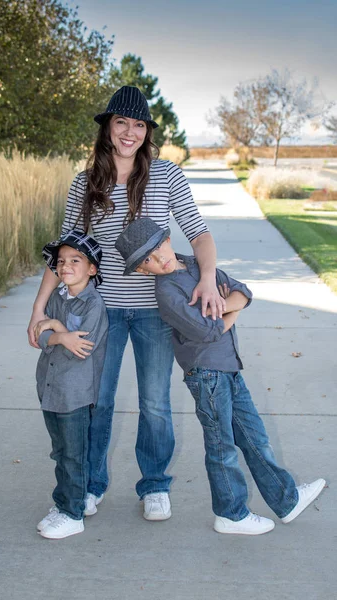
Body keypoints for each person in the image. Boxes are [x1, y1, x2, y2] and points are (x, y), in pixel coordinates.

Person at [28, 85, 225, 521]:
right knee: (98, 398)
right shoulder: (85, 184)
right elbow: (65, 251)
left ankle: (154, 485)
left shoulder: (167, 175)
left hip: (157, 309)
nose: (130, 132)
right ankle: (92, 484)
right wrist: (40, 307)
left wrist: (208, 278)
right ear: (107, 128)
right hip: (101, 312)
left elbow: (199, 232)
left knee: (155, 400)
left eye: (139, 125)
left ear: (147, 132)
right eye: (122, 123)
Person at [115, 217, 326, 535]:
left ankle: (287, 499)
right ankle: (231, 513)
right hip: (207, 376)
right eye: (148, 260)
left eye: (158, 248)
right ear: (143, 270)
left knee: (255, 438)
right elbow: (208, 331)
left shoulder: (196, 265)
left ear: (168, 240)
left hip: (228, 367)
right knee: (221, 445)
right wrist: (233, 310)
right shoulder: (168, 293)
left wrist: (224, 306)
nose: (159, 259)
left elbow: (243, 290)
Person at [34, 230, 108, 539]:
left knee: (73, 455)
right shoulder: (56, 297)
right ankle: (64, 502)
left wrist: (57, 330)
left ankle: (73, 513)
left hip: (75, 395)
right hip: (50, 389)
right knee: (60, 452)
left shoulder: (94, 305)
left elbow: (81, 347)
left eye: (76, 260)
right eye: (61, 261)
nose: (65, 266)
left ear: (92, 269)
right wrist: (54, 333)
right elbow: (37, 336)